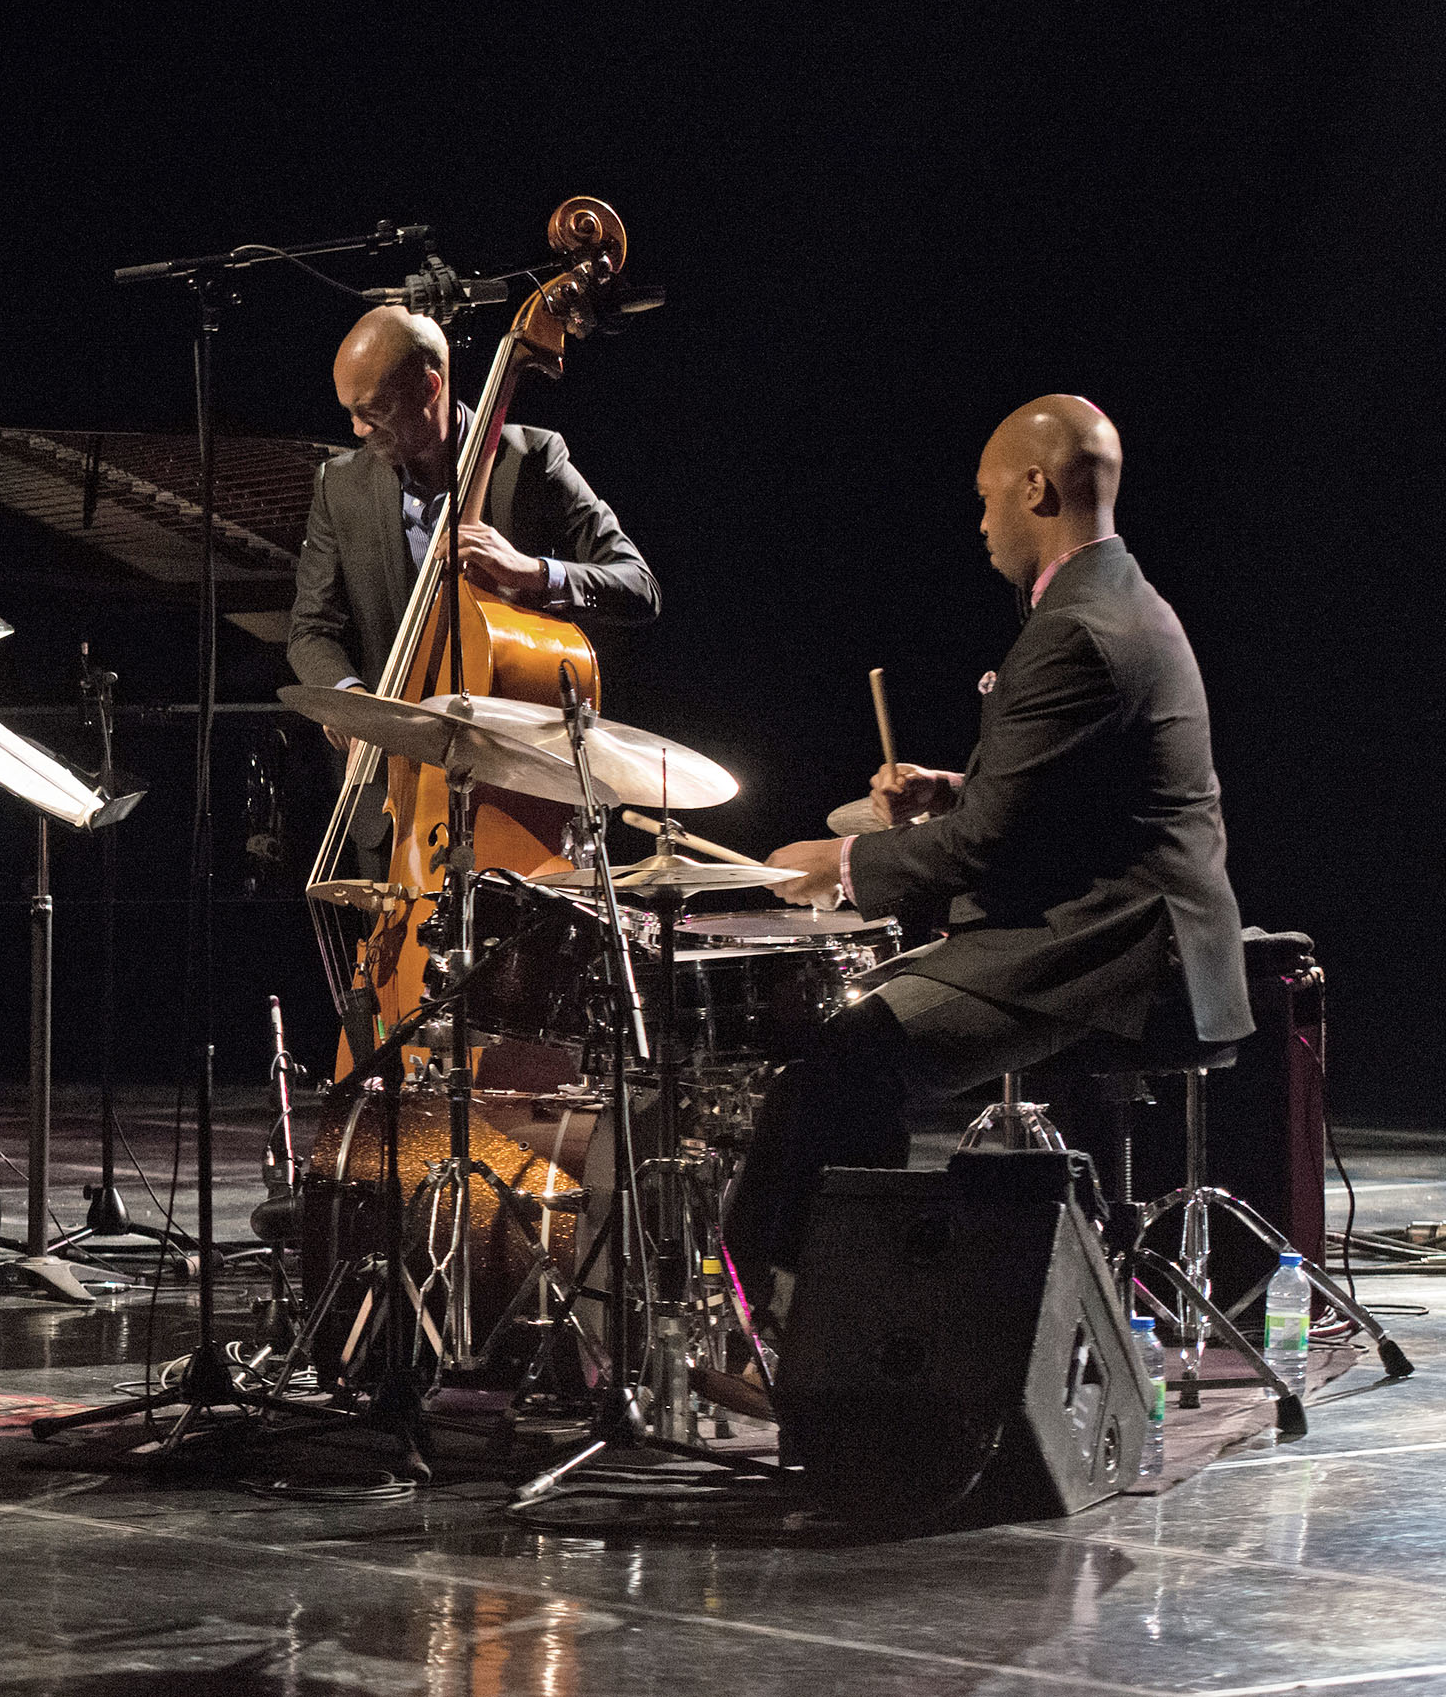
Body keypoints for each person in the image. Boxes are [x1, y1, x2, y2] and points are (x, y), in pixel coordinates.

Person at [730, 395, 1251, 1318]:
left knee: (847, 1052)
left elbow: (986, 847)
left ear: (1037, 488)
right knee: (849, 1042)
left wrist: (844, 865)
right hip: (1129, 931)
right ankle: (803, 1311)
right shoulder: (1122, 601)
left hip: (1113, 954)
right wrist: (951, 790)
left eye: (985, 497)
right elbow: (1063, 804)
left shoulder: (1074, 632)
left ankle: (803, 1320)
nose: (980, 522)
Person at [288, 303, 658, 710]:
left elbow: (639, 587)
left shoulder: (535, 459)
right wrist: (350, 699)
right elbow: (311, 630)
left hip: (512, 748)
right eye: (351, 413)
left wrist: (532, 572)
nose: (358, 429)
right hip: (391, 759)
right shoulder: (338, 485)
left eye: (374, 411)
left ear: (430, 387)